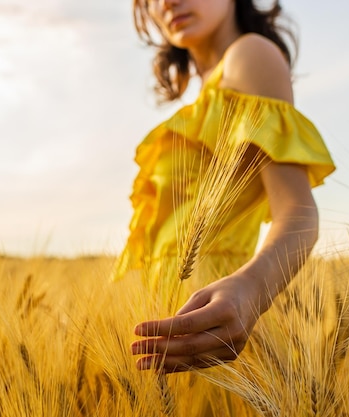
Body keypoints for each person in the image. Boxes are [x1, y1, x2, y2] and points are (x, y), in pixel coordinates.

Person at [113, 0, 336, 374]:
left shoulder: (249, 57)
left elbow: (296, 213)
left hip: (211, 339)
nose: (166, 1)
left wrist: (252, 288)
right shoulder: (208, 92)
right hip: (169, 341)